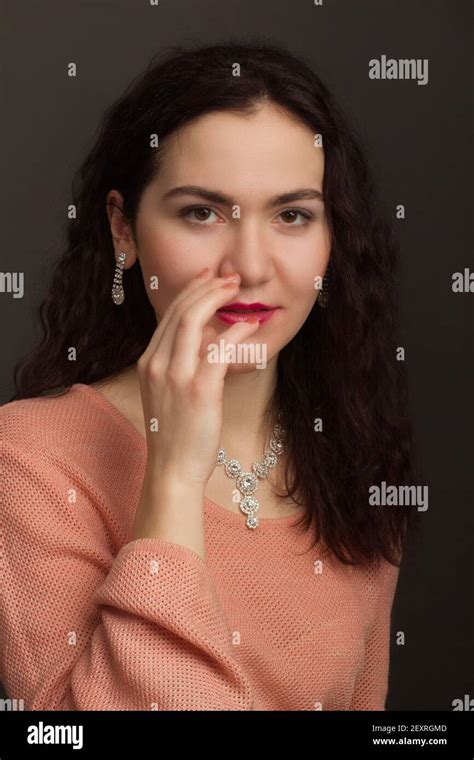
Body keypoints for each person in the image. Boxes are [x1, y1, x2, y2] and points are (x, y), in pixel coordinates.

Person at [0, 41, 420, 711]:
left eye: (292, 215)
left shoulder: (351, 458)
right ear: (124, 230)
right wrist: (170, 477)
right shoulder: (26, 461)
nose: (251, 267)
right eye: (201, 213)